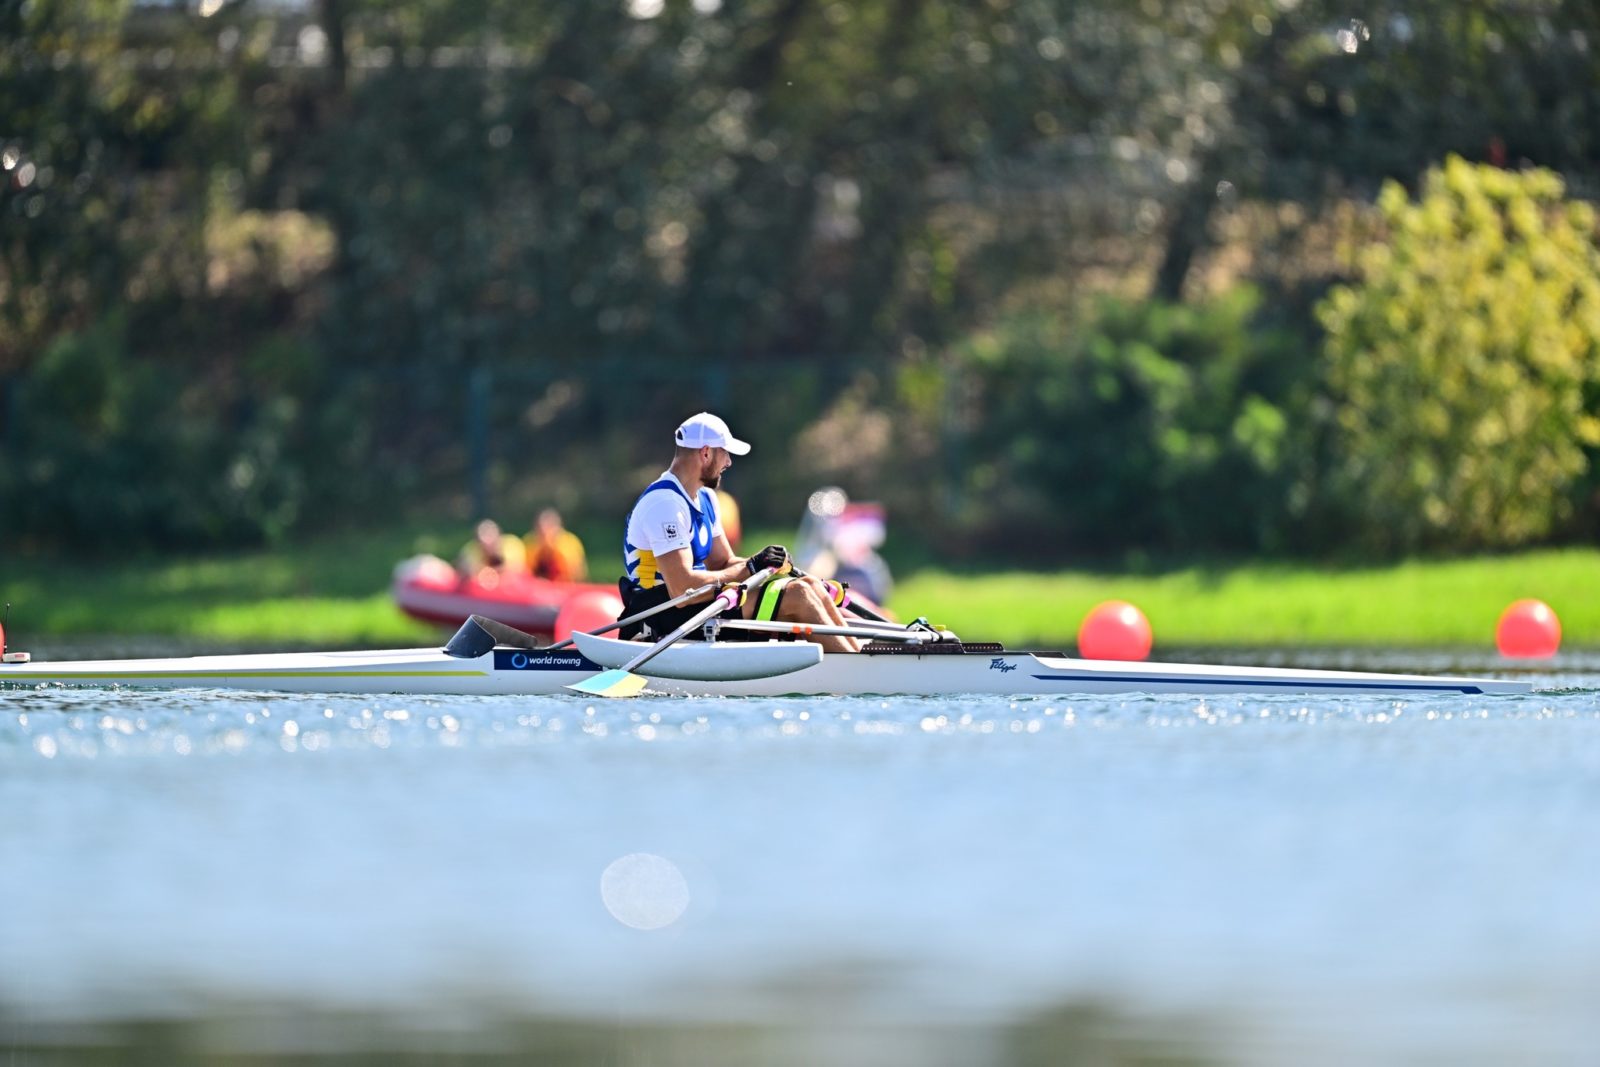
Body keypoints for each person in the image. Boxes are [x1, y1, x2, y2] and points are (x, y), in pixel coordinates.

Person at [620, 412, 861, 653]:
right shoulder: (664, 504)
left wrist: (769, 565)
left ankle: (858, 659)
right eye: (725, 452)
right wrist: (750, 568)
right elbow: (682, 588)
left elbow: (723, 562)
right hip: (658, 612)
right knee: (798, 595)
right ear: (705, 453)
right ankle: (856, 673)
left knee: (809, 585)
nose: (729, 462)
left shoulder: (706, 497)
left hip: (698, 603)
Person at [525, 508, 588, 582]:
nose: (545, 535)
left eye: (549, 528)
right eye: (540, 530)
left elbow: (576, 575)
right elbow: (525, 572)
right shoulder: (530, 544)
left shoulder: (568, 546)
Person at [456, 519, 527, 581]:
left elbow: (514, 570)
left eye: (490, 539)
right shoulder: (470, 550)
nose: (487, 545)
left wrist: (485, 572)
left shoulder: (512, 544)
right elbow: (464, 572)